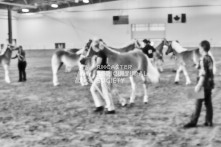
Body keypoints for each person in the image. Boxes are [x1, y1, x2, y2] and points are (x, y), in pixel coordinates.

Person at [184, 40, 214, 128]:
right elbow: (209, 70)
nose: (199, 49)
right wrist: (198, 66)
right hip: (209, 84)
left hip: (203, 84)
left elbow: (203, 74)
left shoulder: (202, 59)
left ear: (202, 48)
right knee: (208, 103)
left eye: (199, 47)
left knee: (197, 103)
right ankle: (209, 121)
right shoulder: (209, 58)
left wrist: (198, 85)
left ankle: (193, 122)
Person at [88, 46, 115, 114]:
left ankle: (111, 109)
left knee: (106, 91)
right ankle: (99, 106)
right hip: (100, 73)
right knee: (93, 89)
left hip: (104, 73)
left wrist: (90, 70)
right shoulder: (98, 53)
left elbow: (98, 64)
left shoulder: (100, 53)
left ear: (94, 47)